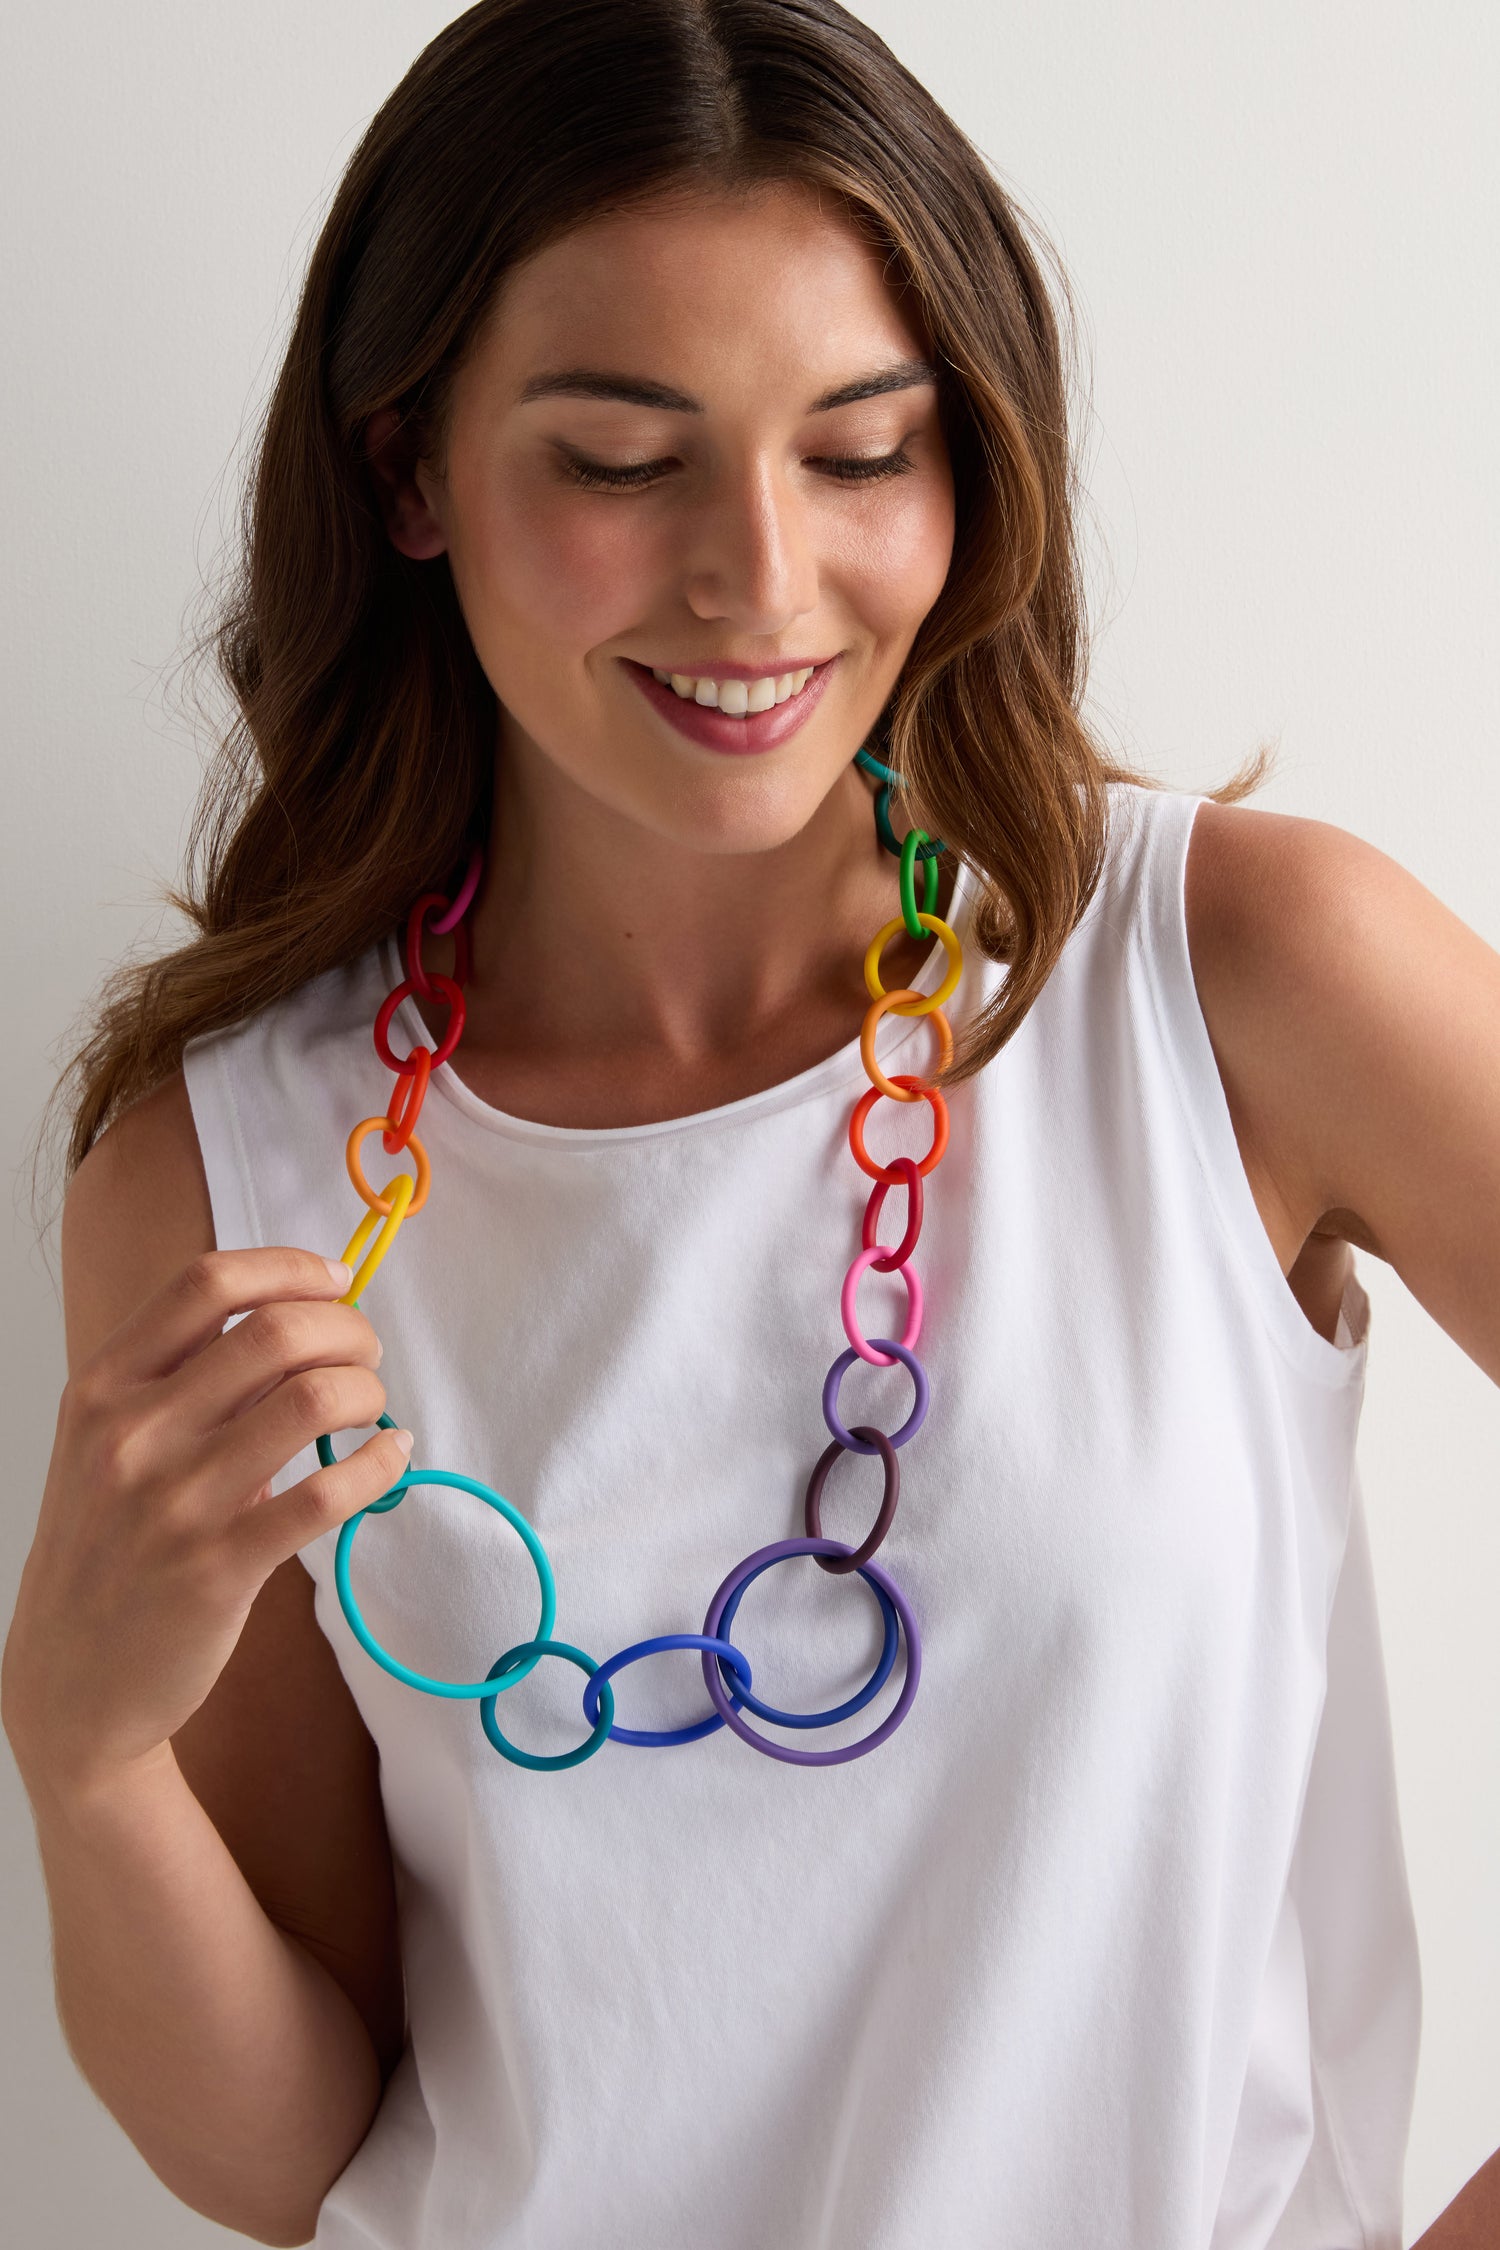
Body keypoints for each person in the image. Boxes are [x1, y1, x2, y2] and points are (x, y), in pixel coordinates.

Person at [4, 0, 1498, 2243]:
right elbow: (297, 2149)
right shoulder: (221, 1183)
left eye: (862, 450)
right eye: (622, 461)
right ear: (408, 469)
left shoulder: (1242, 983)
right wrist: (83, 1753)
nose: (759, 577)